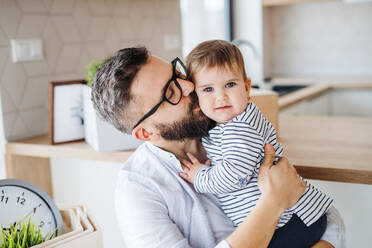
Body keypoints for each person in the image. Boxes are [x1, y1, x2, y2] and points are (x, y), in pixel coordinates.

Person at [91, 46, 345, 248]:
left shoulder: (227, 125)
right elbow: (285, 195)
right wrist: (273, 202)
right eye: (171, 92)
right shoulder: (138, 191)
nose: (190, 86)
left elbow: (324, 215)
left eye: (177, 74)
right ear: (146, 132)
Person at [178, 40, 334, 247]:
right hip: (286, 217)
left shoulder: (240, 126)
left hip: (292, 220)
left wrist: (200, 177)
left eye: (230, 85)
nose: (221, 96)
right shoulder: (227, 124)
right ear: (196, 99)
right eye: (208, 89)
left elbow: (233, 175)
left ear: (247, 87)